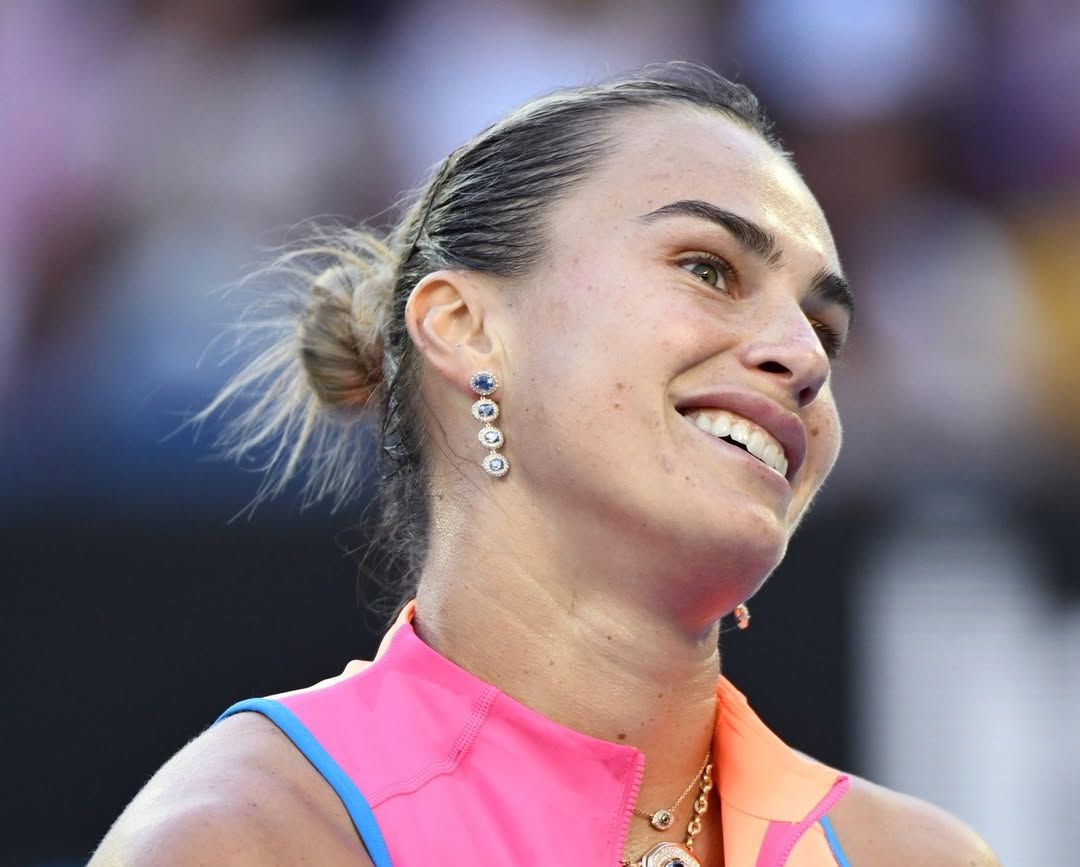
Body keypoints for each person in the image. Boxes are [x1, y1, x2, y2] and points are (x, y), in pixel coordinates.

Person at [89, 63, 1001, 866]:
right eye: (708, 268)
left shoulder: (920, 857)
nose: (802, 356)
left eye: (825, 329)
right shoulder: (245, 839)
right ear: (464, 327)